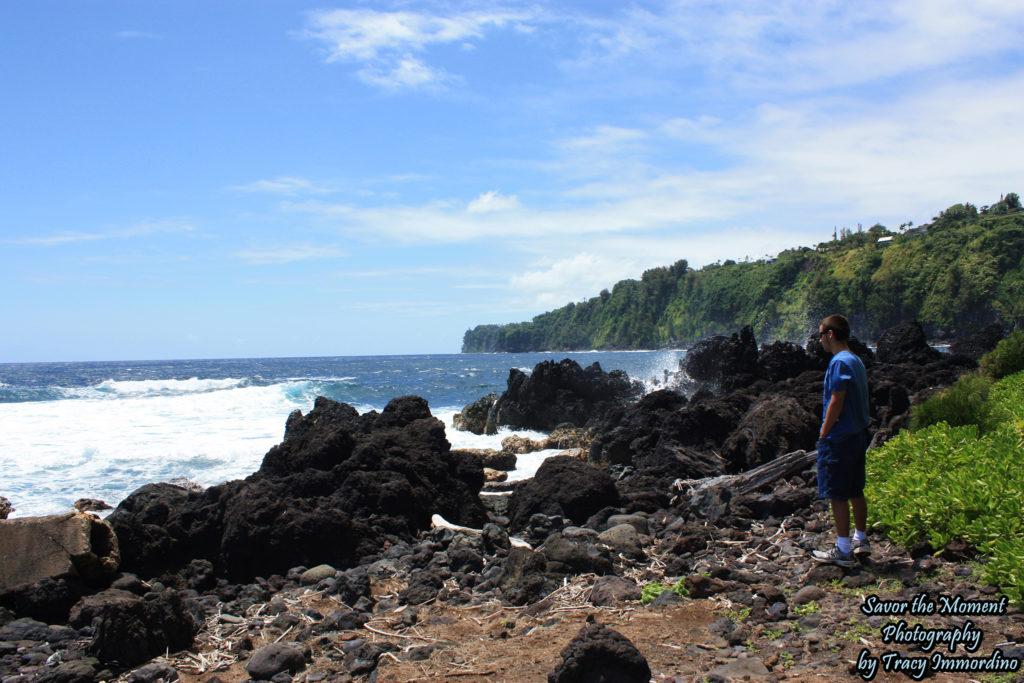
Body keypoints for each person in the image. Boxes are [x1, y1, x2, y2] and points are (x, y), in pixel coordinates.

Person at [811, 314, 871, 567]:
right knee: (856, 490)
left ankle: (843, 549)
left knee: (837, 494)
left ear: (831, 334)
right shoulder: (855, 360)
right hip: (858, 434)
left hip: (840, 437)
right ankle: (861, 539)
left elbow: (837, 399)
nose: (820, 340)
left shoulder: (839, 362)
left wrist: (824, 431)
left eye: (821, 335)